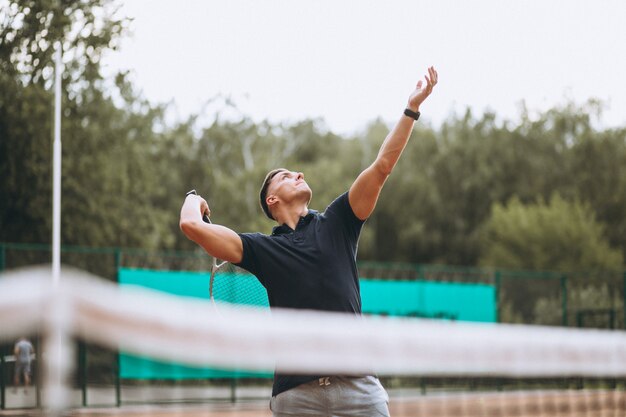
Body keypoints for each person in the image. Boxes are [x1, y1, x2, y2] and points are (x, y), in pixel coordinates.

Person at [180, 67, 438, 417]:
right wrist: (194, 197)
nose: (298, 173)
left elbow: (382, 166)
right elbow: (190, 225)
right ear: (272, 201)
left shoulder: (338, 221)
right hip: (295, 395)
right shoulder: (261, 249)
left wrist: (411, 109)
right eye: (286, 176)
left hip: (359, 388)